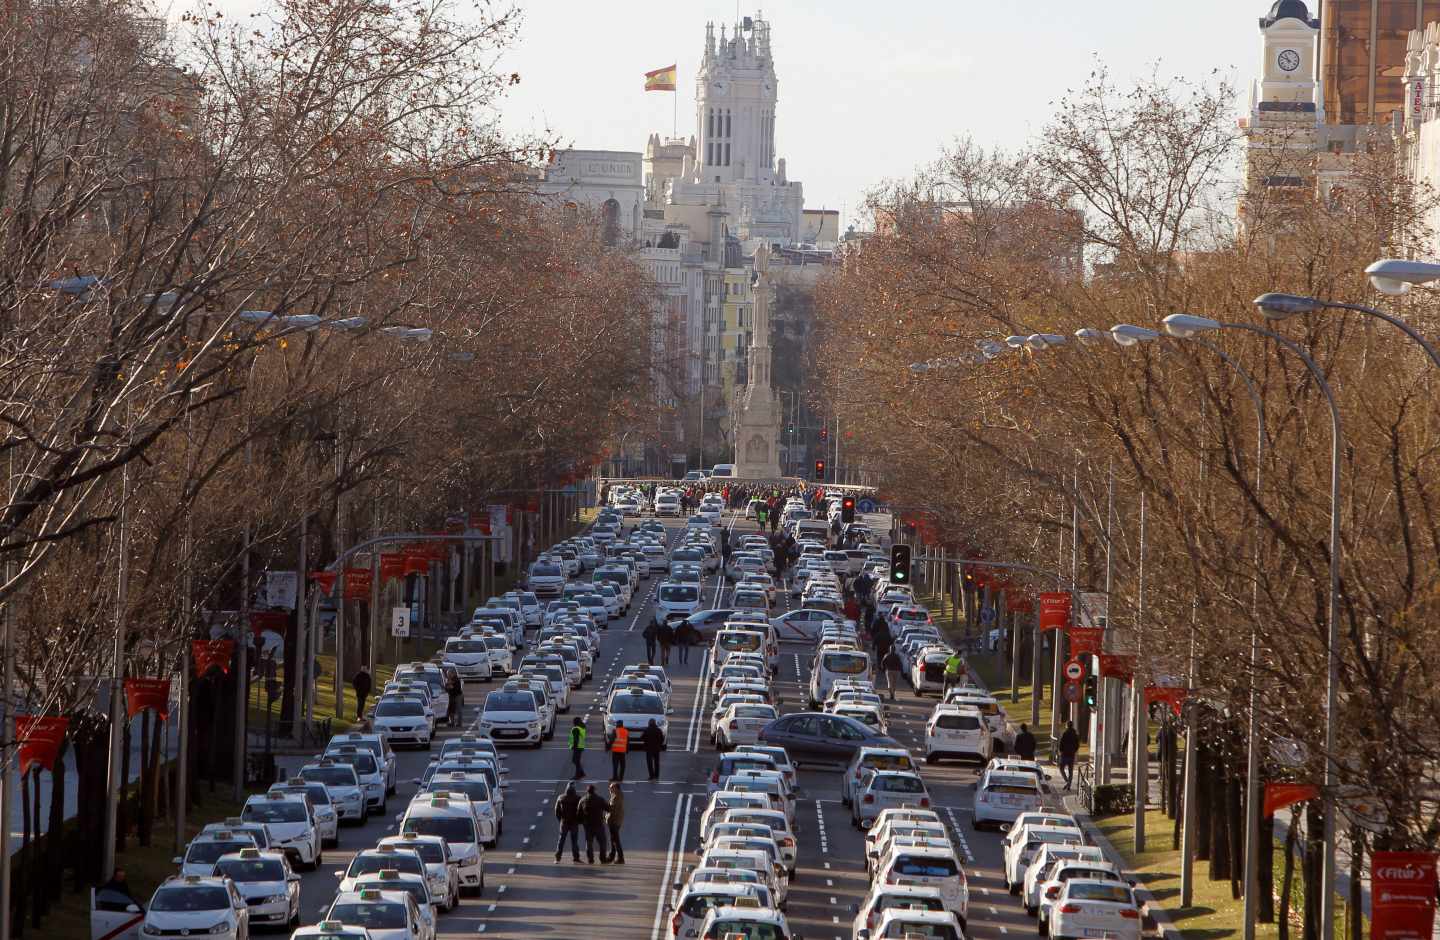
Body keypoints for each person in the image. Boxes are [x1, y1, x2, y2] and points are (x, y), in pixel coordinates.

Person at [578, 784, 610, 864]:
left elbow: (578, 813)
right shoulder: (600, 799)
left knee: (589, 842)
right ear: (594, 790)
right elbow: (608, 808)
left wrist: (582, 822)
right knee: (602, 842)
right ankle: (603, 858)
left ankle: (590, 859)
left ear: (587, 791)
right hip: (598, 824)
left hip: (588, 825)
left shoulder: (583, 800)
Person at [553, 783, 582, 863]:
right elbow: (581, 811)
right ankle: (576, 858)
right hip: (574, 822)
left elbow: (557, 811)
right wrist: (579, 820)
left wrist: (560, 820)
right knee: (574, 841)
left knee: (561, 840)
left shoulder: (561, 797)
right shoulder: (578, 798)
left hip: (564, 822)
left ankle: (557, 858)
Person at [603, 782, 626, 864]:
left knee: (615, 840)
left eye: (611, 787)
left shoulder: (616, 797)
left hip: (614, 821)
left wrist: (604, 809)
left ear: (616, 788)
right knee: (613, 839)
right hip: (616, 820)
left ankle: (620, 857)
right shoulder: (616, 795)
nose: (609, 789)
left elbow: (611, 809)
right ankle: (612, 856)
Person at [1059, 721, 1081, 790]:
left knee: (1061, 768)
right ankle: (1069, 785)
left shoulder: (1065, 733)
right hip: (1072, 754)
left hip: (1065, 754)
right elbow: (1077, 745)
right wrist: (1074, 751)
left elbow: (1061, 743)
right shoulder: (1075, 734)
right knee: (1070, 771)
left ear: (1067, 726)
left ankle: (1067, 782)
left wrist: (1061, 751)